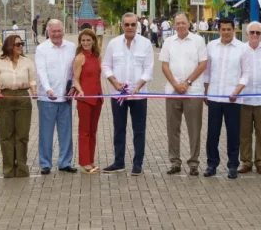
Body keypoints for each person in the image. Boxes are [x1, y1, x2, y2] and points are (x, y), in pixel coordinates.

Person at [102, 12, 154, 176]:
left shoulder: (145, 44)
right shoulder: (113, 43)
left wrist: (139, 85)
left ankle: (137, 164)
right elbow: (106, 66)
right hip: (118, 95)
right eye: (127, 24)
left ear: (137, 25)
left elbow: (149, 68)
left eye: (133, 24)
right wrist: (114, 82)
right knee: (119, 129)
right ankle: (119, 162)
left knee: (139, 130)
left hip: (139, 95)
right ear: (122, 25)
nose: (130, 27)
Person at [159, 13, 207, 176]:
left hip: (193, 91)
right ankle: (175, 162)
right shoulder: (168, 42)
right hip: (172, 91)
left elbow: (203, 64)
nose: (180, 26)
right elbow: (164, 65)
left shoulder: (198, 41)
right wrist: (175, 84)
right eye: (177, 23)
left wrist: (187, 83)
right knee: (173, 128)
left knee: (194, 129)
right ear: (173, 25)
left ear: (189, 23)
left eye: (183, 23)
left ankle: (193, 163)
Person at [203, 17, 250, 179]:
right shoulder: (211, 46)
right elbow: (207, 71)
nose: (226, 32)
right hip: (215, 96)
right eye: (223, 29)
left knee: (233, 134)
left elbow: (246, 74)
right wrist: (206, 90)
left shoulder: (243, 48)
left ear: (234, 29)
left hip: (233, 99)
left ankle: (232, 166)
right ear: (219, 30)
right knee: (212, 134)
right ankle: (211, 164)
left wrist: (237, 90)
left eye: (228, 29)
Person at [35, 19, 77, 175]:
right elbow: (41, 71)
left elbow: (74, 71)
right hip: (47, 99)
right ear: (48, 32)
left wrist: (73, 86)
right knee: (46, 132)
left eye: (59, 31)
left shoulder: (71, 47)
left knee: (66, 132)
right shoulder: (41, 49)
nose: (57, 34)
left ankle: (65, 162)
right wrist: (47, 89)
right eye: (54, 31)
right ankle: (45, 164)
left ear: (63, 31)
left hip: (65, 97)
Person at [0, 35, 37, 178]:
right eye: (17, 44)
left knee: (22, 135)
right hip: (5, 97)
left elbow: (32, 81)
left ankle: (22, 168)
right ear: (9, 45)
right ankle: (8, 169)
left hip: (23, 97)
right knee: (6, 135)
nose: (20, 46)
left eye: (21, 44)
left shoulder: (27, 62)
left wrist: (34, 92)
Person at [238, 22, 261, 175]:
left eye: (257, 33)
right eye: (251, 32)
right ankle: (246, 162)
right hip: (244, 99)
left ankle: (260, 162)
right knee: (244, 133)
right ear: (247, 34)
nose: (254, 35)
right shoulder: (240, 50)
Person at [73, 29, 103, 174]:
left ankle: (91, 160)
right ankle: (84, 162)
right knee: (84, 131)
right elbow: (76, 78)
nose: (85, 43)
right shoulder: (80, 57)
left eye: (88, 40)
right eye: (83, 40)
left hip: (97, 97)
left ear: (93, 41)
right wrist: (80, 90)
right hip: (85, 98)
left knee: (93, 131)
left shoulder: (97, 56)